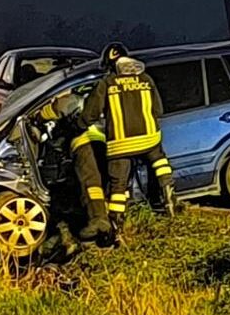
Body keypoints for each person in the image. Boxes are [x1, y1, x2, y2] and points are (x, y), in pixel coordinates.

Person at [70, 43, 178, 238]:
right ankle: (169, 198)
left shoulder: (107, 84)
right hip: (150, 139)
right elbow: (158, 110)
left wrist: (78, 125)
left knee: (118, 186)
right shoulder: (146, 79)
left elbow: (91, 114)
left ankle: (116, 226)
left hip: (121, 144)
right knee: (160, 163)